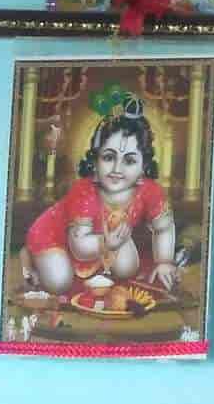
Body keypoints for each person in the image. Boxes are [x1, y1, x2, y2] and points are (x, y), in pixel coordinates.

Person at [22, 87, 178, 297]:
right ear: (95, 161)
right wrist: (106, 243)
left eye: (129, 161)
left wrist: (165, 262)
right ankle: (30, 255)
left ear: (144, 166)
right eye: (108, 157)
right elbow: (78, 246)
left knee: (128, 269)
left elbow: (164, 228)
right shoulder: (84, 191)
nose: (117, 169)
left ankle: (100, 260)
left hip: (103, 241)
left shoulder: (150, 191)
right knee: (59, 282)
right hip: (56, 239)